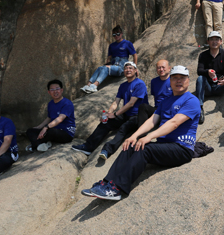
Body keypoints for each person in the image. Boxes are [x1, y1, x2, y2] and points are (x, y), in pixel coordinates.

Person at [81, 65, 200, 200]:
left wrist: (149, 137)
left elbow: (174, 123)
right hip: (165, 146)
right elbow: (152, 121)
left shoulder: (191, 100)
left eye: (182, 78)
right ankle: (108, 182)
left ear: (188, 80)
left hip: (181, 149)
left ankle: (118, 189)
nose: (178, 81)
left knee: (145, 149)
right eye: (175, 78)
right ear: (170, 81)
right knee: (131, 145)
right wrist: (134, 136)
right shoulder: (166, 101)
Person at [72, 62, 147, 156]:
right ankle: (88, 147)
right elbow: (116, 102)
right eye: (126, 68)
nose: (128, 70)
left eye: (130, 68)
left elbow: (131, 103)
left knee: (123, 128)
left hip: (137, 116)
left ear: (135, 70)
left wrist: (115, 114)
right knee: (106, 122)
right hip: (126, 115)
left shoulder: (140, 84)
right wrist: (107, 114)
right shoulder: (123, 85)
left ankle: (107, 150)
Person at [196, 31, 224, 124]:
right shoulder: (203, 55)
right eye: (212, 39)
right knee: (200, 78)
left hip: (220, 86)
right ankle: (199, 108)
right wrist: (207, 71)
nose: (214, 42)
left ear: (221, 41)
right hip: (207, 88)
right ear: (208, 41)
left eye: (217, 39)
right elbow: (199, 71)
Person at [81, 25, 137, 93]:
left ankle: (94, 86)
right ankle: (88, 85)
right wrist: (107, 64)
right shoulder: (111, 45)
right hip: (113, 65)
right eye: (114, 35)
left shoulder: (127, 43)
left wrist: (134, 68)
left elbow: (135, 55)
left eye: (118, 34)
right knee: (100, 68)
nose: (116, 36)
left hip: (121, 68)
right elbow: (109, 58)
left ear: (121, 34)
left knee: (105, 68)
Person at [25, 79, 76, 152]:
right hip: (52, 130)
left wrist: (46, 127)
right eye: (52, 90)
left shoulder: (67, 103)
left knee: (51, 131)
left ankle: (35, 145)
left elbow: (60, 119)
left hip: (66, 133)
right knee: (30, 131)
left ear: (61, 90)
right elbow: (49, 118)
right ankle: (41, 144)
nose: (55, 91)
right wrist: (38, 127)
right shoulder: (50, 104)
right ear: (49, 92)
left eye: (57, 89)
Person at [136, 59, 173, 127]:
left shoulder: (173, 81)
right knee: (143, 106)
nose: (161, 69)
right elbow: (155, 97)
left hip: (169, 110)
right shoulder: (154, 81)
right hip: (158, 110)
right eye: (159, 68)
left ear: (169, 68)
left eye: (163, 67)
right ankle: (141, 132)